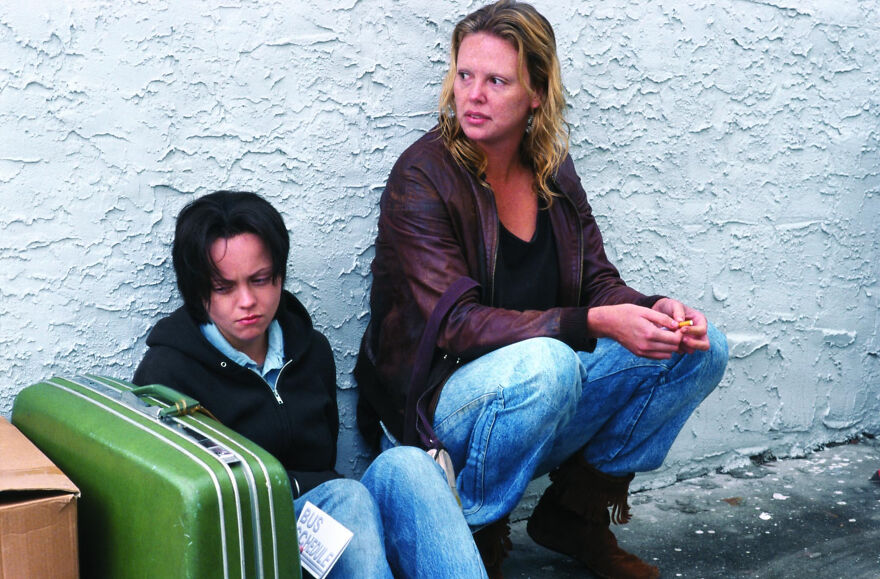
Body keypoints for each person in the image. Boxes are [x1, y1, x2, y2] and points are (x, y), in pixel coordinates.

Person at [354, 2, 729, 578]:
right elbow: (455, 325)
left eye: (496, 81)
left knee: (699, 350)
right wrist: (592, 324)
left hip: (532, 394)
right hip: (439, 413)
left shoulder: (550, 166)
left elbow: (596, 282)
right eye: (464, 75)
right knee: (550, 364)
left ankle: (575, 513)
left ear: (536, 93)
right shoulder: (423, 177)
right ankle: (473, 532)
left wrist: (655, 312)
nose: (472, 95)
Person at [134, 190, 487, 578]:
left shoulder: (310, 351)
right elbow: (183, 506)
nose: (247, 300)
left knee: (409, 464)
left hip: (321, 528)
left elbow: (324, 459)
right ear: (198, 292)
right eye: (224, 288)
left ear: (280, 276)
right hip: (246, 547)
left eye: (261, 280)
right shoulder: (167, 373)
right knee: (347, 497)